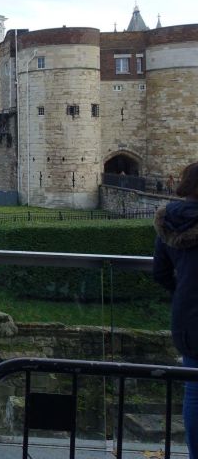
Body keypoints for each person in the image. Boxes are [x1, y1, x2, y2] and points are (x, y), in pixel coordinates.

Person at [153, 161, 198, 457]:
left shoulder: (167, 221)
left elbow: (160, 273)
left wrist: (182, 291)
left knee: (193, 391)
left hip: (187, 315)